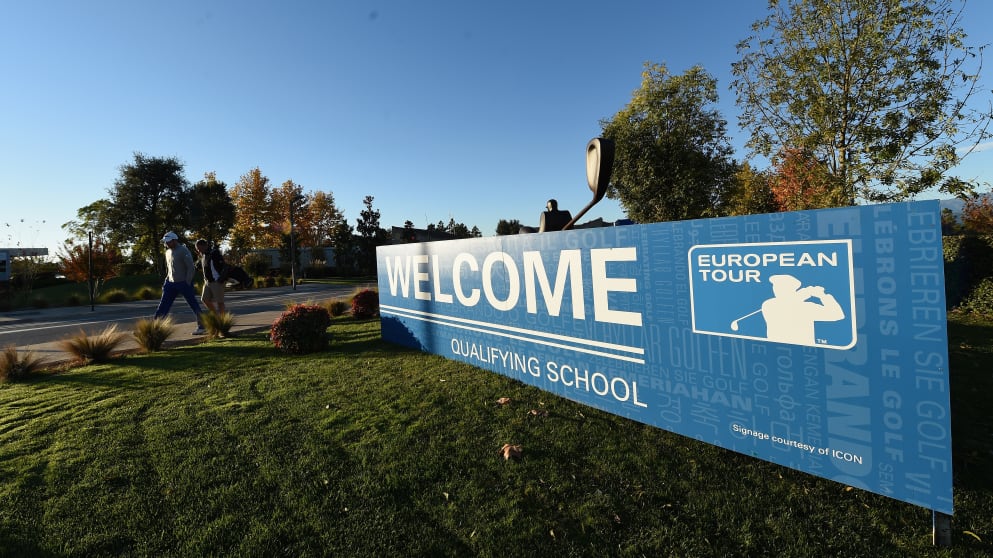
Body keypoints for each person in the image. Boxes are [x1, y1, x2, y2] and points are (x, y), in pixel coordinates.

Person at [761, 274, 844, 345]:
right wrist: (819, 295)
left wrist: (821, 296)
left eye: (780, 287)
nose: (776, 289)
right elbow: (788, 302)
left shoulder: (769, 304)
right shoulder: (769, 304)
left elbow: (837, 314)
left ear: (791, 289)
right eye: (775, 286)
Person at [154, 231, 206, 335]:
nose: (166, 244)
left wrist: (187, 281)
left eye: (168, 242)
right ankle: (154, 327)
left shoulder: (183, 250)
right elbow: (169, 268)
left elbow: (190, 268)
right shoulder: (167, 252)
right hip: (170, 283)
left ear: (174, 240)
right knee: (163, 306)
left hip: (183, 283)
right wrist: (167, 280)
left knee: (193, 304)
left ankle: (202, 326)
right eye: (165, 242)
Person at [195, 239, 227, 314]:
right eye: (197, 249)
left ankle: (222, 321)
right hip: (207, 282)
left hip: (216, 281)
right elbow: (201, 267)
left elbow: (223, 266)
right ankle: (216, 315)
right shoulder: (203, 256)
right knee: (204, 299)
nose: (199, 251)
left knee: (220, 302)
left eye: (200, 249)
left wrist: (221, 278)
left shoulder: (214, 253)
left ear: (205, 246)